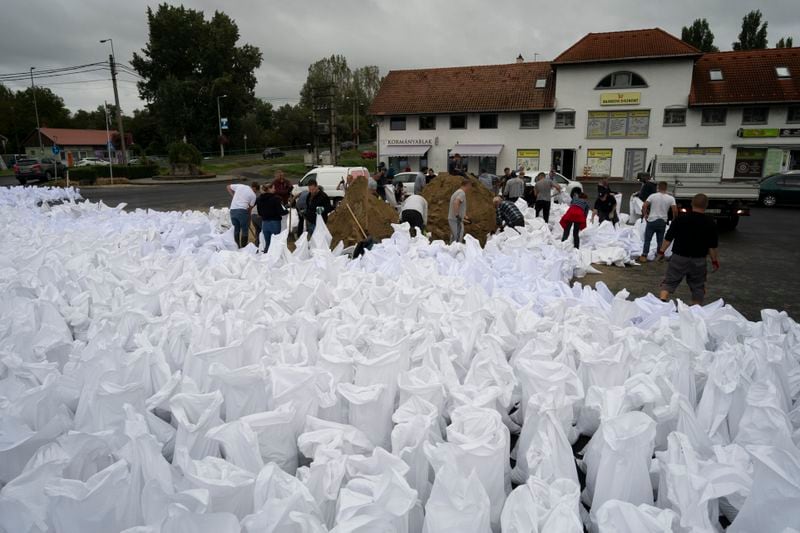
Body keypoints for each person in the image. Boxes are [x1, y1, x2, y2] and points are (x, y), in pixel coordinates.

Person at [657, 193, 719, 305]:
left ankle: (661, 304)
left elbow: (668, 238)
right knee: (698, 287)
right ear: (706, 205)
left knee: (669, 282)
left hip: (678, 258)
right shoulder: (710, 222)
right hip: (698, 260)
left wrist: (661, 252)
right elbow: (712, 246)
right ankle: (695, 312)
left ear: (691, 203)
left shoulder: (681, 219)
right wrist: (714, 261)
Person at [639, 181, 678, 262]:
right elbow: (675, 210)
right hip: (662, 221)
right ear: (666, 188)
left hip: (652, 220)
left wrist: (645, 214)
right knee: (660, 240)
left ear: (658, 187)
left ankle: (644, 255)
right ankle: (659, 255)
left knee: (647, 239)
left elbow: (644, 206)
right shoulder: (670, 198)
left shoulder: (653, 196)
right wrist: (674, 219)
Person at [256, 183, 288, 252]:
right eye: (273, 188)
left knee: (267, 244)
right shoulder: (275, 199)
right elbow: (281, 212)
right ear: (269, 189)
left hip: (265, 223)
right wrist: (287, 210)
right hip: (275, 223)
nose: (275, 189)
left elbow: (259, 213)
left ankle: (266, 258)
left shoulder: (258, 199)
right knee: (275, 243)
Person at [226, 181, 259, 248]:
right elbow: (249, 209)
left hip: (233, 210)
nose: (256, 192)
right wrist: (249, 220)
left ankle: (237, 246)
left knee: (236, 229)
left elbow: (228, 187)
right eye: (256, 191)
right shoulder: (253, 195)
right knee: (244, 230)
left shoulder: (240, 186)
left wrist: (233, 196)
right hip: (242, 211)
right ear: (254, 188)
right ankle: (244, 247)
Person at [448, 178, 471, 243]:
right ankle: (456, 251)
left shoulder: (457, 192)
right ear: (467, 185)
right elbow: (456, 202)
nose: (470, 188)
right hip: (456, 220)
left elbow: (458, 205)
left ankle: (451, 251)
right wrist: (457, 215)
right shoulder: (462, 193)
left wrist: (464, 216)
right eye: (470, 186)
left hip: (453, 218)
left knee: (454, 237)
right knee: (458, 238)